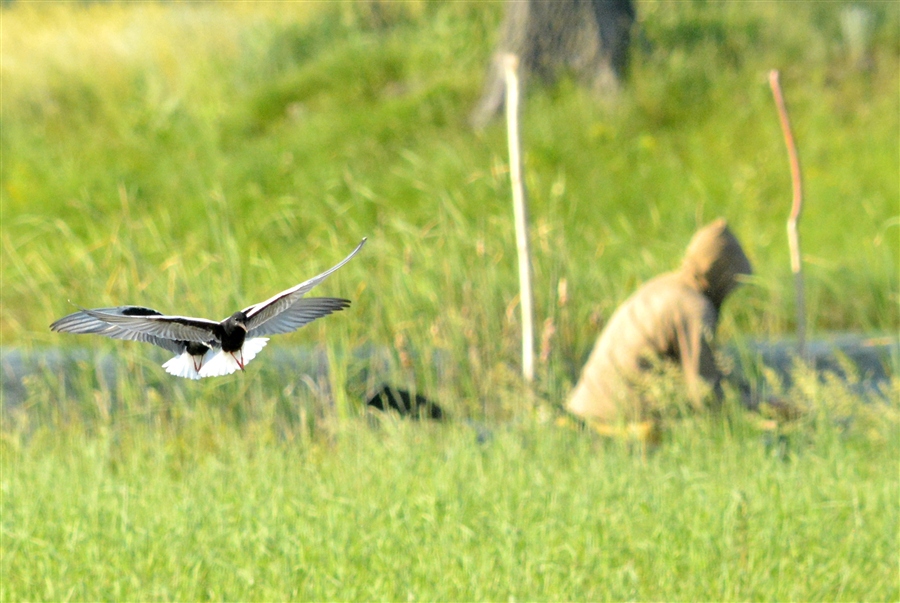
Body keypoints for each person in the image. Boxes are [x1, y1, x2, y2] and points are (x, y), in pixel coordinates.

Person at [567, 218, 752, 424]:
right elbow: (704, 393)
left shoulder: (663, 286)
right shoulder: (693, 307)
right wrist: (757, 406)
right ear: (721, 274)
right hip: (615, 423)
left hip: (584, 413)